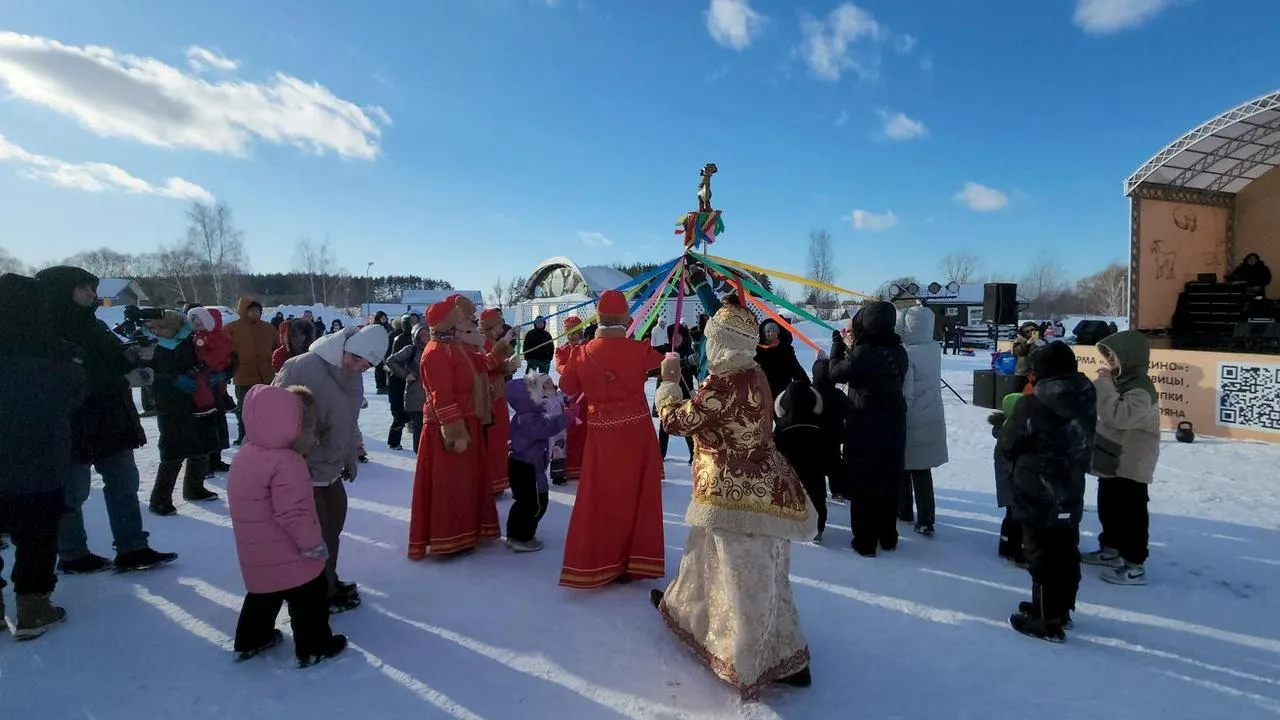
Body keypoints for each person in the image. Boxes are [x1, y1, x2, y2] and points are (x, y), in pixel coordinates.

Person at [651, 301, 817, 700]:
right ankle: (777, 650)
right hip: (766, 487)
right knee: (752, 568)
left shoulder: (723, 382)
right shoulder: (754, 371)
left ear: (722, 342)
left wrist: (669, 383)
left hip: (731, 493)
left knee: (738, 575)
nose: (708, 347)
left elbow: (677, 422)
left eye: (711, 340)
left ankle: (750, 659)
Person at [35, 266, 177, 574]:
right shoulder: (47, 332)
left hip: (111, 417)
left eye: (92, 287)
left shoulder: (94, 324)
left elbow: (110, 360)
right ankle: (72, 553)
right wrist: (119, 370)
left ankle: (132, 547)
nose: (91, 294)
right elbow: (66, 378)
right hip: (74, 420)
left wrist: (135, 355)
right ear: (62, 292)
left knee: (124, 482)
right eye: (83, 288)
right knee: (73, 491)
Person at [229, 384, 348, 667]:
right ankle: (314, 645)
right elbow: (293, 512)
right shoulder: (287, 462)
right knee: (310, 597)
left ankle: (251, 639)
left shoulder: (246, 454)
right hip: (290, 550)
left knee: (263, 594)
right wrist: (311, 544)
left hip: (256, 550)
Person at [273, 323, 388, 613]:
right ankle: (314, 596)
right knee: (316, 533)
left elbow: (348, 422)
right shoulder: (301, 366)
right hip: (301, 467)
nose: (358, 368)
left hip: (331, 467)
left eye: (366, 366)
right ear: (346, 348)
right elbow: (271, 416)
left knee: (333, 526)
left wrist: (350, 456)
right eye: (356, 360)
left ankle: (328, 582)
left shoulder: (353, 377)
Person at [558, 290, 665, 588]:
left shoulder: (583, 352)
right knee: (636, 496)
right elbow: (663, 365)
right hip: (636, 433)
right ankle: (634, 561)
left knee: (601, 496)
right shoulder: (638, 350)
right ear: (623, 318)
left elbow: (567, 385)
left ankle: (602, 561)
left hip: (601, 434)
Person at [0, 273, 87, 639]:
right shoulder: (53, 350)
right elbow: (75, 392)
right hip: (39, 457)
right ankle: (33, 606)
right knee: (36, 531)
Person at [997, 342, 1096, 642]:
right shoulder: (1086, 394)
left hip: (1037, 489)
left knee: (1041, 552)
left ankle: (1046, 619)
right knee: (1066, 547)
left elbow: (1008, 443)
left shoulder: (1033, 403)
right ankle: (1060, 609)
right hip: (1070, 485)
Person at [408, 297, 503, 559]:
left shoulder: (455, 347)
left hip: (467, 421)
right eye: (459, 321)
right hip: (448, 430)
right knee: (451, 485)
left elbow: (480, 366)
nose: (465, 324)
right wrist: (455, 433)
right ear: (448, 325)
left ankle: (468, 531)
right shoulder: (436, 353)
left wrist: (502, 351)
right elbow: (442, 397)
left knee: (467, 482)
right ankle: (450, 538)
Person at [824, 301, 908, 557]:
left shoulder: (863, 354)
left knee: (863, 483)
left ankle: (865, 541)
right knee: (888, 479)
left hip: (865, 424)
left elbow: (835, 373)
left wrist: (837, 346)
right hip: (893, 424)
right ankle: (888, 536)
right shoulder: (900, 352)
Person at [1083, 330, 1160, 586]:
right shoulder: (1122, 382)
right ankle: (1111, 550)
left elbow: (1118, 416)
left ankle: (1135, 563)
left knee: (1132, 513)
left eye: (1114, 357)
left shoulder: (1141, 388)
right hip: (1113, 458)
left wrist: (1103, 384)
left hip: (1131, 463)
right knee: (1110, 507)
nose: (1110, 362)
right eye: (1108, 356)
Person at [145, 310, 223, 515]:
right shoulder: (154, 348)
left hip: (198, 402)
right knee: (173, 451)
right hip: (170, 406)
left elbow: (223, 355)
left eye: (164, 327)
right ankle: (160, 499)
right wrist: (172, 380)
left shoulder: (194, 341)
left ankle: (194, 488)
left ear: (177, 327)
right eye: (157, 328)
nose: (160, 332)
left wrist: (222, 372)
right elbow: (149, 377)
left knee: (201, 446)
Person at [505, 373, 575, 552]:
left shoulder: (525, 415)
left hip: (521, 465)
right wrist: (568, 417)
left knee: (522, 503)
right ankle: (523, 538)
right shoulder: (529, 419)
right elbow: (547, 427)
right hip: (530, 468)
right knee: (536, 504)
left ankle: (514, 534)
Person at [897, 305, 948, 537]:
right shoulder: (934, 349)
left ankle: (905, 512)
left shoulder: (907, 354)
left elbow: (906, 392)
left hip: (912, 419)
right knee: (922, 471)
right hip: (932, 416)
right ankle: (927, 519)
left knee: (904, 468)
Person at [774, 374, 827, 542]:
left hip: (789, 467)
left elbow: (775, 447)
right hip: (814, 468)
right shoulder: (819, 424)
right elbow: (829, 448)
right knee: (817, 495)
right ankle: (818, 528)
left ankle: (788, 523)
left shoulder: (782, 426)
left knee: (787, 494)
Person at [224, 296, 281, 445]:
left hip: (267, 376)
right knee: (244, 409)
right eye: (252, 310)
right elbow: (224, 351)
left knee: (267, 409)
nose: (256, 313)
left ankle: (267, 434)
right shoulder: (231, 328)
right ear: (243, 311)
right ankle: (244, 435)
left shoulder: (268, 328)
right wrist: (229, 369)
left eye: (258, 310)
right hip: (243, 376)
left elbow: (278, 348)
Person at [479, 308, 519, 496]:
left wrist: (508, 366)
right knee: (494, 441)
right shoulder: (483, 342)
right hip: (490, 399)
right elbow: (485, 367)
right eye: (499, 325)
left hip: (497, 395)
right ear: (491, 326)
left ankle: (497, 481)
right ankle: (492, 483)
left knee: (499, 440)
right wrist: (507, 365)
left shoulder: (491, 341)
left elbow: (497, 364)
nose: (501, 328)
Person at [989, 392, 1028, 566]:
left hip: (1009, 485)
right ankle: (1020, 552)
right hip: (1015, 485)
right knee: (1021, 521)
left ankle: (1006, 547)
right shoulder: (1013, 435)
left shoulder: (1005, 430)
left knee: (1011, 518)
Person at [655, 323, 696, 465]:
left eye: (679, 335)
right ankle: (660, 453)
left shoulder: (689, 351)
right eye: (674, 335)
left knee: (686, 422)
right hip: (668, 393)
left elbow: (696, 369)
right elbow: (654, 364)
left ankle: (693, 453)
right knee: (665, 423)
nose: (676, 338)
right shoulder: (665, 350)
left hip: (684, 391)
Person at [555, 316, 588, 484]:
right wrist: (572, 368)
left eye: (575, 331)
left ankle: (587, 465)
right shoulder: (562, 350)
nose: (572, 336)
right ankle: (571, 466)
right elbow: (560, 367)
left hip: (587, 395)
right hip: (571, 396)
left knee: (587, 430)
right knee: (572, 430)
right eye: (569, 332)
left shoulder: (587, 348)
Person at [810, 358, 849, 503]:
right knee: (835, 464)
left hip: (814, 436)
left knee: (815, 465)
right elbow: (848, 411)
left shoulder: (810, 393)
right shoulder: (837, 394)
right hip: (834, 435)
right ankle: (838, 491)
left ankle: (818, 491)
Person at [185, 306, 234, 416]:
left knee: (202, 381)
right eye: (196, 324)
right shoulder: (199, 335)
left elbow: (218, 353)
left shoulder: (215, 336)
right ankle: (223, 401)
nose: (198, 327)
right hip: (208, 364)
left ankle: (206, 405)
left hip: (213, 365)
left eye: (200, 324)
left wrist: (205, 363)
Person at [385, 326, 427, 453]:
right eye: (422, 334)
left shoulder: (434, 348)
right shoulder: (411, 349)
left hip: (430, 395)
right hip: (415, 394)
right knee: (419, 428)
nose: (426, 336)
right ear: (416, 336)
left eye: (427, 333)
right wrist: (405, 375)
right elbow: (390, 361)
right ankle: (419, 454)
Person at [755, 319, 808, 401]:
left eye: (774, 331)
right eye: (768, 331)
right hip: (761, 393)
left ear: (778, 333)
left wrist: (806, 385)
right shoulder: (757, 351)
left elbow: (796, 369)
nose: (771, 333)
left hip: (782, 393)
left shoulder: (785, 350)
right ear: (764, 333)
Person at [540, 375, 570, 485]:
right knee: (546, 452)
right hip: (548, 430)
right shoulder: (541, 399)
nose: (550, 383)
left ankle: (558, 476)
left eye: (550, 381)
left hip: (560, 429)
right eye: (546, 382)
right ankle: (539, 473)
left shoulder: (558, 395)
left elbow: (569, 397)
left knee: (559, 450)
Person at [371, 311, 392, 395]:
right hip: (378, 350)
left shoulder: (389, 327)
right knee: (379, 369)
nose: (384, 319)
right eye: (382, 318)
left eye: (385, 318)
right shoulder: (375, 327)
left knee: (388, 368)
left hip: (388, 349)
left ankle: (387, 385)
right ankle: (380, 386)